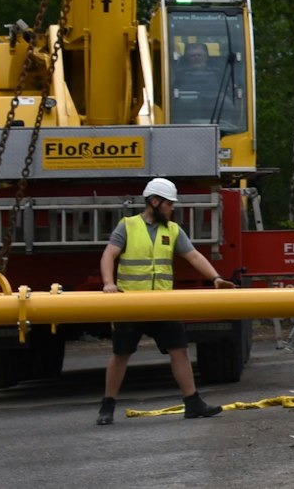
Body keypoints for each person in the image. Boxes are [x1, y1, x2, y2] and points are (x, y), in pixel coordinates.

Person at [95, 176, 235, 425]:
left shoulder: (172, 230)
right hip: (130, 304)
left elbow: (193, 256)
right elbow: (109, 255)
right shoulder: (127, 226)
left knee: (179, 351)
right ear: (155, 201)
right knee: (120, 354)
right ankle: (107, 406)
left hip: (162, 303)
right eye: (169, 204)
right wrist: (109, 283)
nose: (173, 208)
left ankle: (193, 403)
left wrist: (215, 277)